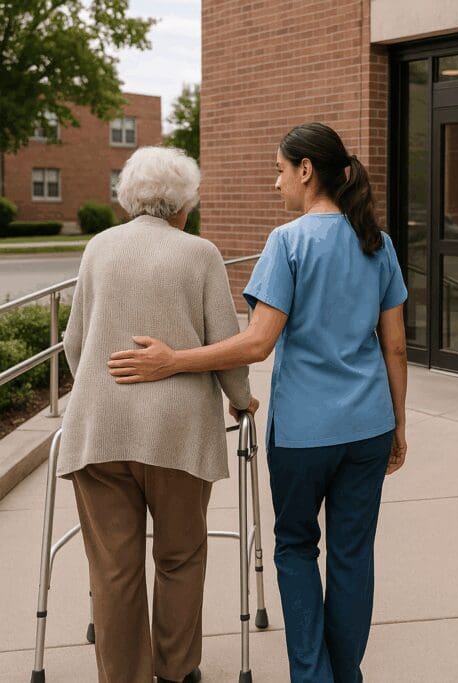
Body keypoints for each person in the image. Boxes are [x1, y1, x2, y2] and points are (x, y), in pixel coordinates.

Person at [106, 122, 410, 683]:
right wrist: (398, 425)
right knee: (352, 554)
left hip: (303, 433)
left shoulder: (288, 242)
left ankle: (312, 677)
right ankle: (346, 675)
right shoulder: (379, 243)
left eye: (278, 170)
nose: (275, 184)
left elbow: (257, 341)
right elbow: (394, 344)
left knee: (296, 548)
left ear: (305, 170)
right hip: (369, 425)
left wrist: (173, 360)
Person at [59, 146, 255, 683]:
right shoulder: (200, 254)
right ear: (183, 203)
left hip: (100, 432)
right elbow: (227, 343)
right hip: (179, 434)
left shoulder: (98, 248)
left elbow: (74, 344)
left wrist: (101, 387)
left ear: (128, 198)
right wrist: (242, 399)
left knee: (115, 570)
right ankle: (176, 671)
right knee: (180, 557)